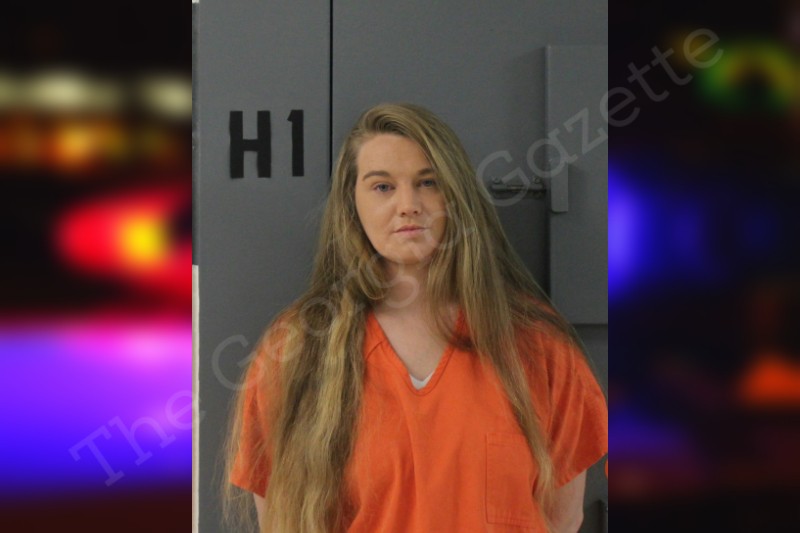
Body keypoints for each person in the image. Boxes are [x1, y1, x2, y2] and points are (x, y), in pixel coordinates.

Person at [224, 102, 608, 532]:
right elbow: (281, 522)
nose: (408, 205)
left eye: (428, 182)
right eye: (382, 187)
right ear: (351, 204)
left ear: (456, 196)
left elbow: (561, 519)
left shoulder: (539, 345)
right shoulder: (295, 350)